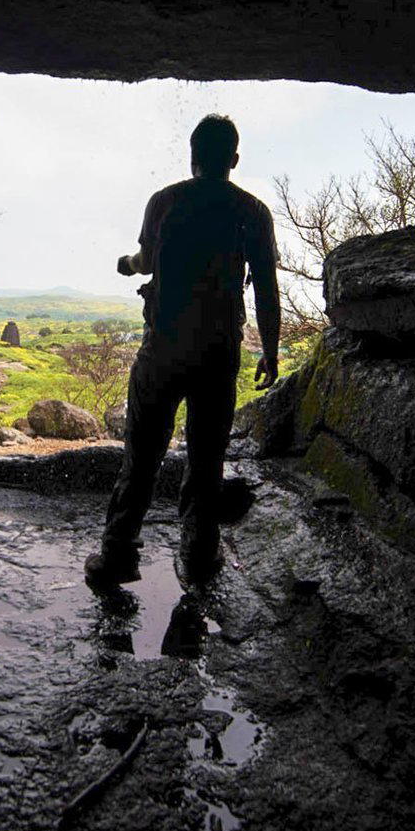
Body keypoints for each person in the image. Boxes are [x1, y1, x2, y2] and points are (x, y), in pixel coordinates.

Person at [86, 115, 281, 588]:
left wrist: (127, 264)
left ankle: (117, 554)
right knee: (207, 457)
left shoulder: (165, 201)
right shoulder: (252, 211)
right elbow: (266, 290)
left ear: (192, 156)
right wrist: (271, 351)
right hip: (218, 351)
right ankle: (198, 554)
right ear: (234, 159)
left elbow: (146, 261)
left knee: (142, 454)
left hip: (163, 348)